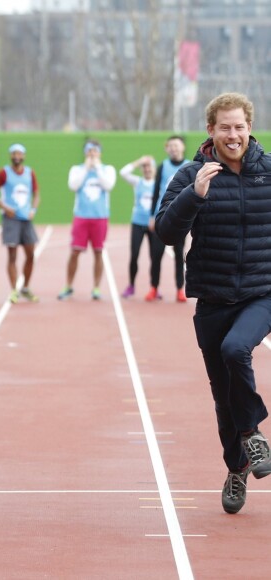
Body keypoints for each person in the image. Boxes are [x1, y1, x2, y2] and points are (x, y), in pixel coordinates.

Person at [155, 92, 271, 515]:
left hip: (262, 292)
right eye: (225, 126)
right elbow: (165, 232)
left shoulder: (269, 171)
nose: (233, 134)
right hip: (213, 296)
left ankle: (254, 433)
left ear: (249, 127)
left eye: (239, 126)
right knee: (223, 397)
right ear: (211, 130)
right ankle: (237, 468)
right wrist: (195, 195)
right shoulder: (191, 173)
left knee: (236, 348)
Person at [58, 139, 116, 301]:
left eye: (95, 151)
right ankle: (68, 285)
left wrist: (96, 167)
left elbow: (108, 185)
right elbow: (73, 186)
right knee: (75, 251)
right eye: (89, 151)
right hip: (81, 216)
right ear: (85, 152)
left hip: (100, 217)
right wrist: (86, 168)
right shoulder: (77, 169)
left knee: (98, 252)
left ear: (99, 153)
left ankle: (96, 287)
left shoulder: (107, 169)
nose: (92, 154)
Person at [0, 143, 40, 303]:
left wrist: (34, 209)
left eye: (20, 154)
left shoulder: (30, 173)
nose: (17, 156)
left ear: (24, 156)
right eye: (14, 154)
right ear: (11, 156)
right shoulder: (4, 173)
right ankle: (14, 290)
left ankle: (25, 288)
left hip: (26, 219)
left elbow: (37, 194)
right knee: (12, 256)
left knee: (31, 254)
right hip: (11, 219)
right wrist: (4, 207)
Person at [147, 135, 191, 302]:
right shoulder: (162, 166)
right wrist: (152, 216)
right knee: (156, 254)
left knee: (179, 255)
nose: (174, 148)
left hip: (180, 217)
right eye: (171, 146)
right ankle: (154, 287)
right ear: (167, 148)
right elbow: (155, 192)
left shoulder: (189, 166)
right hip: (162, 215)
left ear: (182, 148)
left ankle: (180, 289)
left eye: (176, 145)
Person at [118, 155, 156, 299]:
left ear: (153, 168)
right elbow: (123, 172)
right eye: (144, 167)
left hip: (153, 225)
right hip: (138, 223)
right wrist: (139, 161)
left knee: (154, 257)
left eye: (149, 166)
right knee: (134, 255)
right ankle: (131, 285)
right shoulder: (137, 182)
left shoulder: (158, 183)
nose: (147, 169)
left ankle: (154, 287)